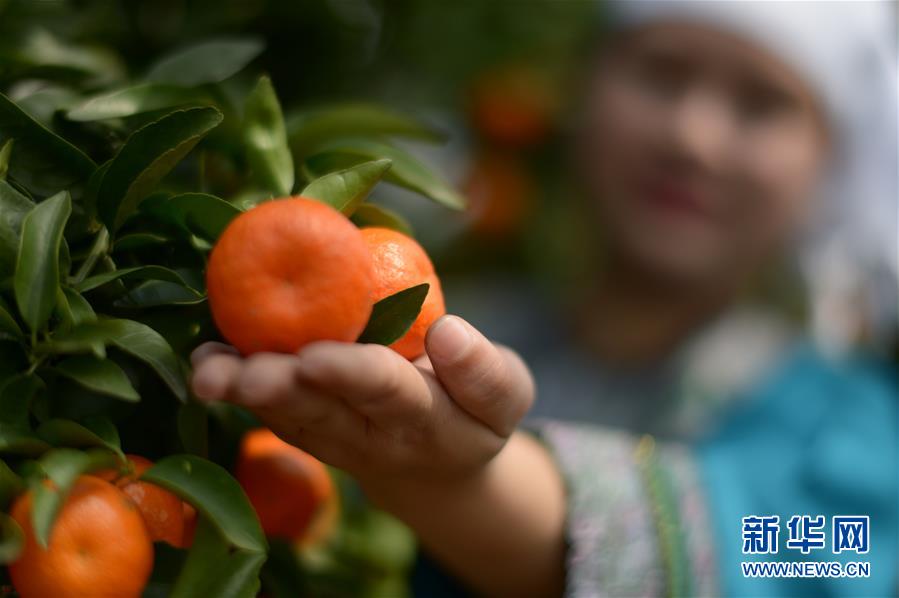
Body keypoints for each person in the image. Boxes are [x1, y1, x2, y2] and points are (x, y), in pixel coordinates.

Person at [190, 1, 897, 596]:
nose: (693, 137)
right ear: (584, 88)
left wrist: (452, 482)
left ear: (826, 161)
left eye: (760, 104)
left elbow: (785, 556)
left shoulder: (856, 442)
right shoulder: (444, 326)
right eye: (662, 72)